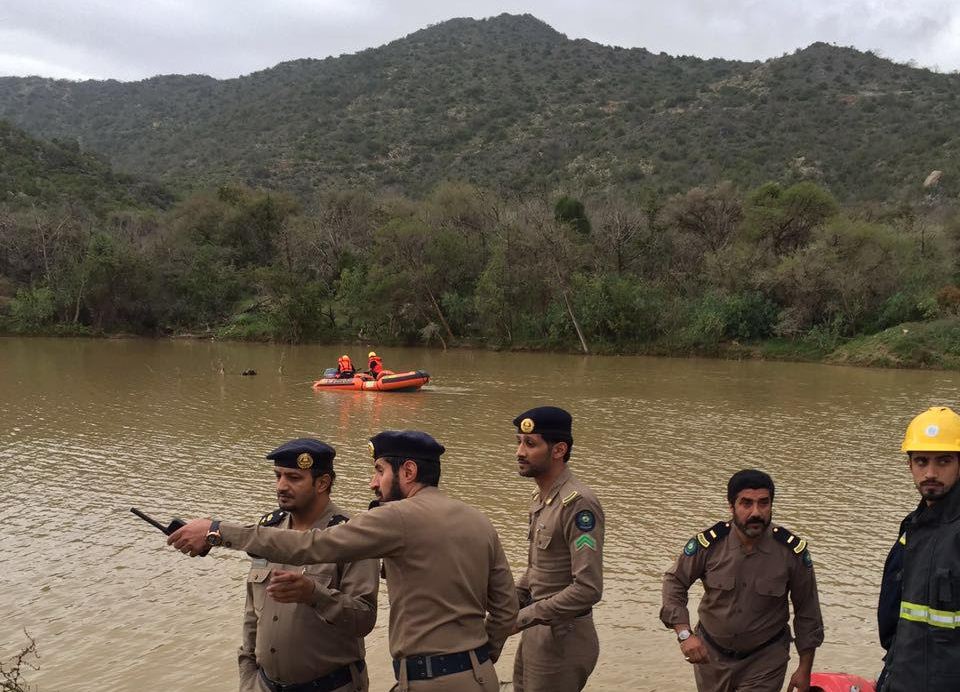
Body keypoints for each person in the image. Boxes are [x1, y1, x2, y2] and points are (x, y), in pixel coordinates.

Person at [169, 430, 517, 692]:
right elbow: (505, 608)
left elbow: (313, 547)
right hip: (479, 675)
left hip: (427, 681)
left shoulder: (395, 517)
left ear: (408, 471)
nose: (372, 483)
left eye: (379, 470)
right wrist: (478, 657)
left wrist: (217, 531)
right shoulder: (479, 520)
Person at [660, 469, 824, 692]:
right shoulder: (709, 546)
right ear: (731, 506)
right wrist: (684, 634)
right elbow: (674, 581)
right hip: (711, 658)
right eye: (746, 503)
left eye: (763, 503)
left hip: (765, 659)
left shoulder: (791, 553)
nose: (756, 512)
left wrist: (805, 668)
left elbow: (808, 611)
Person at [239, 438, 379, 692]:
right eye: (278, 476)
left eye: (293, 478)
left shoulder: (353, 538)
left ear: (322, 483)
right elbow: (252, 614)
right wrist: (248, 677)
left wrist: (314, 594)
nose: (281, 486)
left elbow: (364, 619)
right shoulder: (268, 531)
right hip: (263, 685)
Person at [511, 406, 603, 692]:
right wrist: (509, 602)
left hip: (564, 637)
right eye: (518, 442)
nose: (520, 452)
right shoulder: (542, 497)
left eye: (530, 444)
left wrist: (523, 617)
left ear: (559, 449)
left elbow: (588, 589)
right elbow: (538, 568)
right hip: (537, 629)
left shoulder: (578, 504)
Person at [880, 406, 960, 692]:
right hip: (902, 676)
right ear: (909, 465)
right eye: (922, 461)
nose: (931, 473)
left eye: (944, 461)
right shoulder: (912, 528)